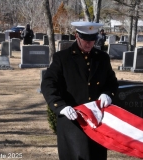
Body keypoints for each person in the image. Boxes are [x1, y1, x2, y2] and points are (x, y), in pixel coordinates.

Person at [41, 21, 118, 160]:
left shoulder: (102, 58)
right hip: (73, 120)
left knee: (96, 156)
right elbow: (48, 84)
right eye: (85, 40)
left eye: (92, 40)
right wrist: (60, 106)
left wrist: (108, 94)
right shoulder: (62, 58)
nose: (89, 44)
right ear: (77, 36)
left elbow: (111, 82)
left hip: (96, 119)